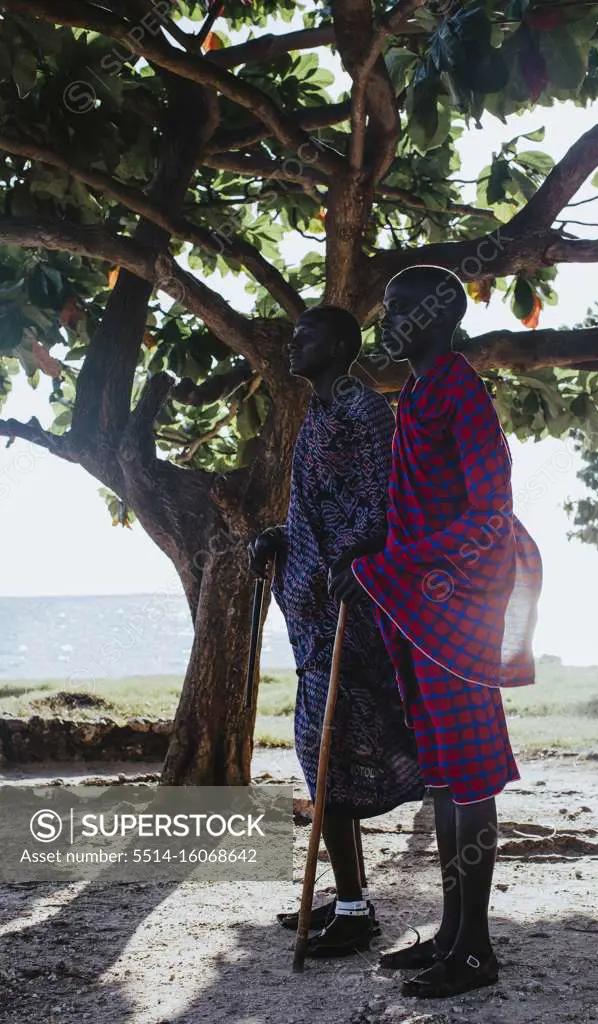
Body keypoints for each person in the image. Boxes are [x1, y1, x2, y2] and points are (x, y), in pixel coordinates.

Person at [330, 266, 543, 998]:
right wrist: (371, 560)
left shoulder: (461, 390)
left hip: (458, 614)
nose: (384, 323)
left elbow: (490, 518)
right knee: (447, 777)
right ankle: (452, 936)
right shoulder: (419, 392)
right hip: (419, 615)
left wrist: (394, 564)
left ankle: (476, 950)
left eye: (396, 310)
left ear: (434, 315)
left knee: (470, 778)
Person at [248, 304, 424, 959]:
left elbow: (386, 503)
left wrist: (355, 558)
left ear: (342, 344)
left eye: (307, 335)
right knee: (321, 757)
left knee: (332, 756)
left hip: (352, 613)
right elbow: (313, 510)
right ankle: (349, 897)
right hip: (315, 618)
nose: (293, 342)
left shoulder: (366, 412)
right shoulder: (320, 413)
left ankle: (354, 909)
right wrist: (276, 538)